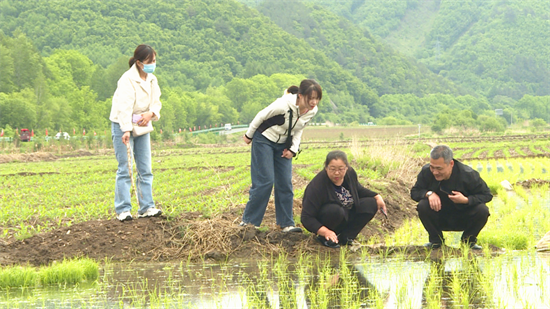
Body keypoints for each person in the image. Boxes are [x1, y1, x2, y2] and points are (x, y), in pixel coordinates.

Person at [240, 79, 322, 232]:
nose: (313, 102)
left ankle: (286, 224)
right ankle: (249, 224)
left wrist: (293, 149)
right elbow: (260, 116)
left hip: (283, 144)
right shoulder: (283, 104)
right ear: (300, 95)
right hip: (264, 139)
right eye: (310, 98)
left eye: (316, 98)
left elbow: (299, 128)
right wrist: (248, 135)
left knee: (285, 183)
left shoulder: (312, 110)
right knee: (265, 181)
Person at [109, 44, 162, 222]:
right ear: (139, 63)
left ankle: (147, 206)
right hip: (123, 124)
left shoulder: (152, 79)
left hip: (142, 124)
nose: (153, 64)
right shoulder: (127, 80)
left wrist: (151, 114)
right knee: (126, 168)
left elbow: (156, 102)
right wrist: (125, 129)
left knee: (145, 168)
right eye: (149, 61)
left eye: (154, 61)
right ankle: (123, 209)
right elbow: (124, 107)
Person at [411, 145, 492, 250]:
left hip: (463, 217)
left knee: (482, 210)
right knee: (423, 205)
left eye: (439, 168)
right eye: (432, 167)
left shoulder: (468, 175)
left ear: (451, 164)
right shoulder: (426, 172)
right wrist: (429, 193)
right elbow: (415, 192)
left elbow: (487, 195)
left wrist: (466, 200)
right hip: (440, 217)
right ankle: (436, 242)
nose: (435, 172)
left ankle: (468, 242)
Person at [301, 150, 388, 248]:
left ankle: (346, 237)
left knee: (370, 203)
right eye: (332, 169)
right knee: (335, 210)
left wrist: (377, 196)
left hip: (345, 215)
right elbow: (306, 218)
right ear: (326, 167)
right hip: (328, 220)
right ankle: (327, 239)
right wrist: (325, 232)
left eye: (341, 169)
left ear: (347, 167)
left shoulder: (350, 174)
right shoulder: (317, 186)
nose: (337, 173)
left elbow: (358, 190)